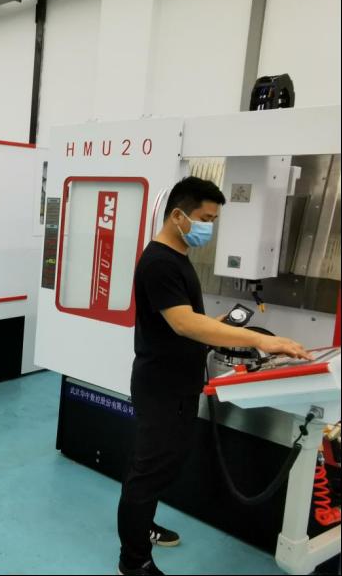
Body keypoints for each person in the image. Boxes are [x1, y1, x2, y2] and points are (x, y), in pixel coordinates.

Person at [116, 176, 312, 576]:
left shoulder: (178, 258)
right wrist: (261, 340)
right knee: (148, 472)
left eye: (214, 220)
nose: (210, 227)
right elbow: (184, 323)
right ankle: (133, 561)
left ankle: (143, 526)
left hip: (179, 383)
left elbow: (184, 319)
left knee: (163, 467)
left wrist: (215, 326)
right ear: (178, 215)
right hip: (161, 387)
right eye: (205, 218)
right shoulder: (159, 262)